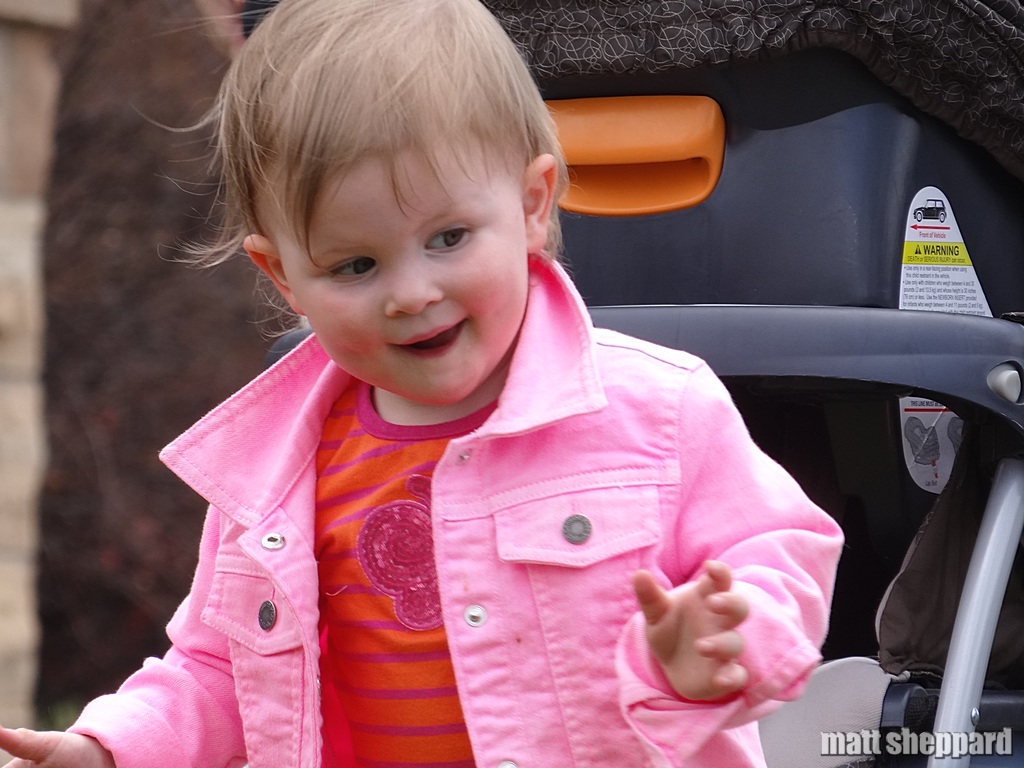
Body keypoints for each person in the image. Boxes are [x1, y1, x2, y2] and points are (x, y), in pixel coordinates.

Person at [0, 0, 843, 765]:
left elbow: (782, 555)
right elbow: (216, 666)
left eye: (448, 238)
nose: (411, 292)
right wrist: (111, 747)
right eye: (355, 264)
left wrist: (724, 644)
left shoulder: (656, 410)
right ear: (283, 278)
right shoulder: (273, 476)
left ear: (532, 205)